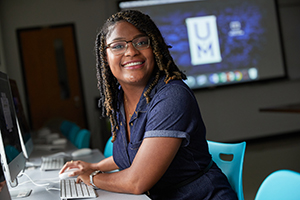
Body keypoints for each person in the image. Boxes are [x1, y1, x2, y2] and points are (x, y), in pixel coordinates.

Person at [60, 10, 238, 200]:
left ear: (154, 48)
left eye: (141, 42)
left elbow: (137, 181)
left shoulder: (172, 96)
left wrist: (93, 178)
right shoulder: (119, 100)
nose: (131, 51)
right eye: (118, 45)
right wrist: (95, 166)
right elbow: (137, 153)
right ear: (105, 57)